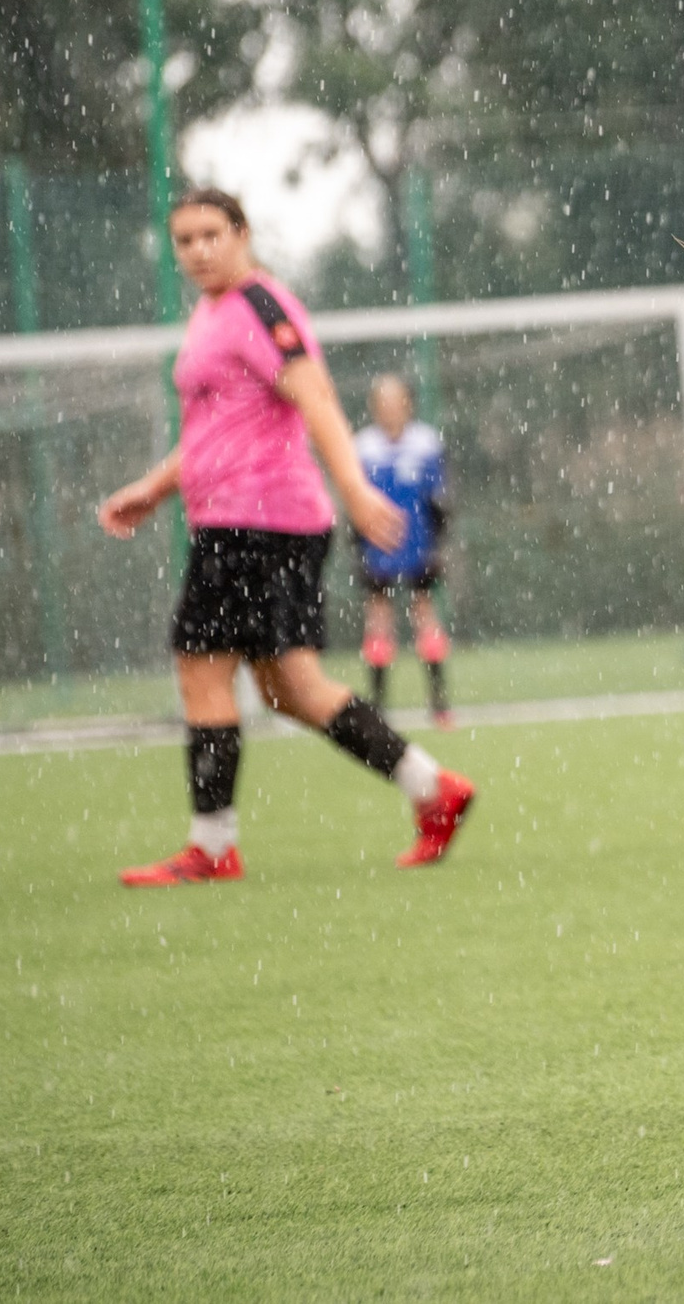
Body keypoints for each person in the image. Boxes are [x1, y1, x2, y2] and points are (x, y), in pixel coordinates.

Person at [99, 189, 477, 884]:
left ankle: (213, 846)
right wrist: (155, 488)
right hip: (246, 522)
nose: (199, 250)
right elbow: (216, 432)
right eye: (184, 240)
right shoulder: (212, 315)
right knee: (290, 687)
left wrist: (358, 489)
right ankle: (433, 788)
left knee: (200, 663)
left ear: (242, 233)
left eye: (212, 233)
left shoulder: (259, 307)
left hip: (259, 522)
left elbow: (317, 397)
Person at [355, 373, 455, 728]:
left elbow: (440, 500)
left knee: (425, 619)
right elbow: (355, 504)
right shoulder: (363, 447)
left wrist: (437, 545)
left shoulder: (425, 444)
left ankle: (439, 703)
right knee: (379, 623)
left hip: (419, 548)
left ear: (408, 405)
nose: (389, 409)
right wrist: (361, 546)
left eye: (396, 401)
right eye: (382, 402)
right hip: (378, 549)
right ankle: (378, 710)